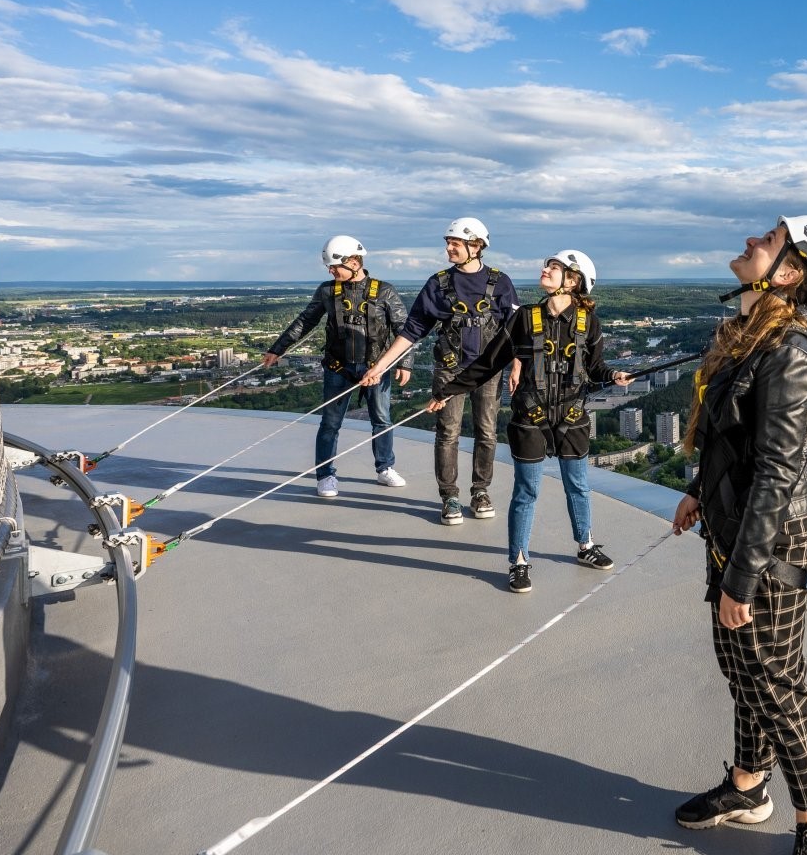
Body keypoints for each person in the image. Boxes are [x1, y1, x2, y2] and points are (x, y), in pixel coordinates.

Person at [670, 216, 807, 855]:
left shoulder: (791, 355)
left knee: (778, 685)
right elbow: (734, 444)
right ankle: (749, 786)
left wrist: (741, 578)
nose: (753, 239)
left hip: (768, 547)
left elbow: (779, 473)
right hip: (734, 532)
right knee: (739, 668)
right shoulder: (752, 338)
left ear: (788, 272)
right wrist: (699, 491)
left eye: (769, 239)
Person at [425, 250, 631, 593]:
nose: (545, 270)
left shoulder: (587, 322)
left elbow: (595, 369)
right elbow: (490, 362)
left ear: (573, 280)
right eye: (547, 265)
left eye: (554, 267)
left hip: (571, 417)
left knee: (578, 486)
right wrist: (449, 390)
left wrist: (614, 374)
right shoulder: (524, 319)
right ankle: (518, 562)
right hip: (530, 417)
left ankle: (585, 546)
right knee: (526, 491)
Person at [361, 218, 519, 526]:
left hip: (488, 372)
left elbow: (516, 332)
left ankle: (480, 491)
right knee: (448, 433)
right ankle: (450, 496)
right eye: (448, 242)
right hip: (450, 371)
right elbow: (412, 331)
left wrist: (517, 367)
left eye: (455, 243)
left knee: (487, 432)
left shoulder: (500, 283)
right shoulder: (439, 284)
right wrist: (381, 367)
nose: (448, 248)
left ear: (476, 246)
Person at [264, 235, 411, 498]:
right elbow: (305, 321)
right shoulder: (327, 291)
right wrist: (279, 347)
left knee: (382, 420)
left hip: (375, 367)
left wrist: (405, 363)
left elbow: (403, 328)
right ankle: (325, 475)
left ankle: (385, 468)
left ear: (354, 262)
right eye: (329, 268)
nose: (331, 272)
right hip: (337, 366)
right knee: (330, 423)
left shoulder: (384, 291)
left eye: (335, 266)